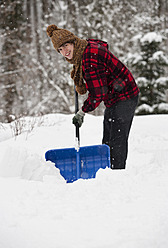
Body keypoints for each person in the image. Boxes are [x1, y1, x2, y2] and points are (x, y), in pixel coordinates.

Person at [46, 24, 139, 170]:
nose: (64, 52)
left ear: (73, 41)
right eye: (60, 50)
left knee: (117, 140)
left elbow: (98, 93)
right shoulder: (84, 49)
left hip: (125, 95)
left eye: (65, 46)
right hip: (114, 97)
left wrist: (83, 111)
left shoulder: (89, 57)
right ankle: (107, 169)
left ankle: (117, 174)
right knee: (107, 140)